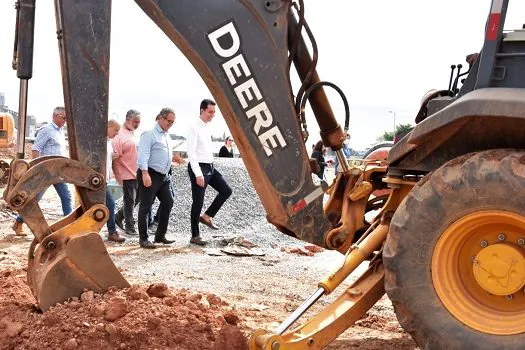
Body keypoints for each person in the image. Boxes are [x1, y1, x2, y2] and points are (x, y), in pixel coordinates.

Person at [11, 107, 72, 236]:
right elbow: (35, 148)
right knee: (35, 198)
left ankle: (70, 225)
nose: (65, 121)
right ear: (54, 116)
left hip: (58, 172)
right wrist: (37, 169)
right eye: (63, 117)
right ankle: (18, 222)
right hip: (46, 172)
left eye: (67, 118)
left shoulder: (61, 132)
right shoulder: (47, 130)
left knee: (66, 197)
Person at [136, 107, 184, 249]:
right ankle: (143, 239)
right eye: (169, 121)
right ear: (160, 118)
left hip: (164, 176)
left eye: (173, 122)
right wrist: (145, 173)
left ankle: (160, 235)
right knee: (146, 206)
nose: (171, 124)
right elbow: (142, 155)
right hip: (150, 174)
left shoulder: (166, 135)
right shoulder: (149, 134)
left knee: (168, 202)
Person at [187, 99, 232, 246]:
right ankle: (195, 235)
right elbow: (191, 153)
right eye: (210, 112)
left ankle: (207, 217)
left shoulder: (206, 127)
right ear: (202, 110)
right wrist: (198, 173)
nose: (212, 115)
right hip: (199, 168)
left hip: (210, 167)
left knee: (226, 190)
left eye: (214, 112)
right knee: (198, 202)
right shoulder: (194, 127)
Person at [112, 109, 141, 236]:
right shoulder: (119, 135)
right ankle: (130, 227)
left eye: (139, 122)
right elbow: (115, 158)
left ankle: (118, 217)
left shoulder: (133, 134)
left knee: (137, 199)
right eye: (135, 121)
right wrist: (118, 177)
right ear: (127, 119)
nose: (137, 124)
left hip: (137, 172)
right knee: (129, 201)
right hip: (126, 173)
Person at [106, 119, 126, 243]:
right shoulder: (101, 141)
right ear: (108, 127)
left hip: (105, 179)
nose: (117, 133)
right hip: (100, 180)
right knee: (111, 204)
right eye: (116, 130)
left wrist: (112, 156)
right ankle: (112, 232)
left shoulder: (109, 142)